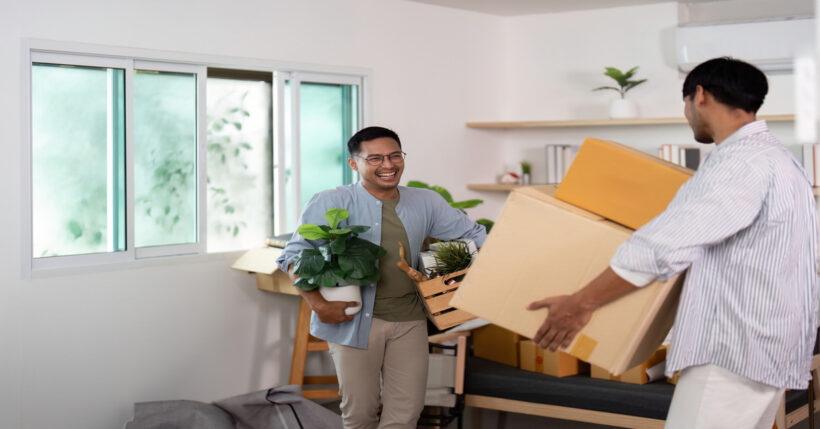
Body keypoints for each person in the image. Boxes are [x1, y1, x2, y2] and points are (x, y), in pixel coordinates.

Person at [528, 57, 818, 429]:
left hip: (732, 351)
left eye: (685, 103)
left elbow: (661, 247)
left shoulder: (739, 163)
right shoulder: (780, 160)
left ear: (700, 95)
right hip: (768, 346)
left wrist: (580, 303)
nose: (687, 115)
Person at [276, 126, 487, 429]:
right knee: (360, 413)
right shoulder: (331, 201)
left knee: (406, 414)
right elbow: (292, 256)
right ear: (354, 163)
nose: (388, 165)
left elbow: (474, 236)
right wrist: (318, 305)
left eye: (394, 156)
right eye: (375, 158)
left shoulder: (425, 201)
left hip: (410, 320)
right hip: (354, 320)